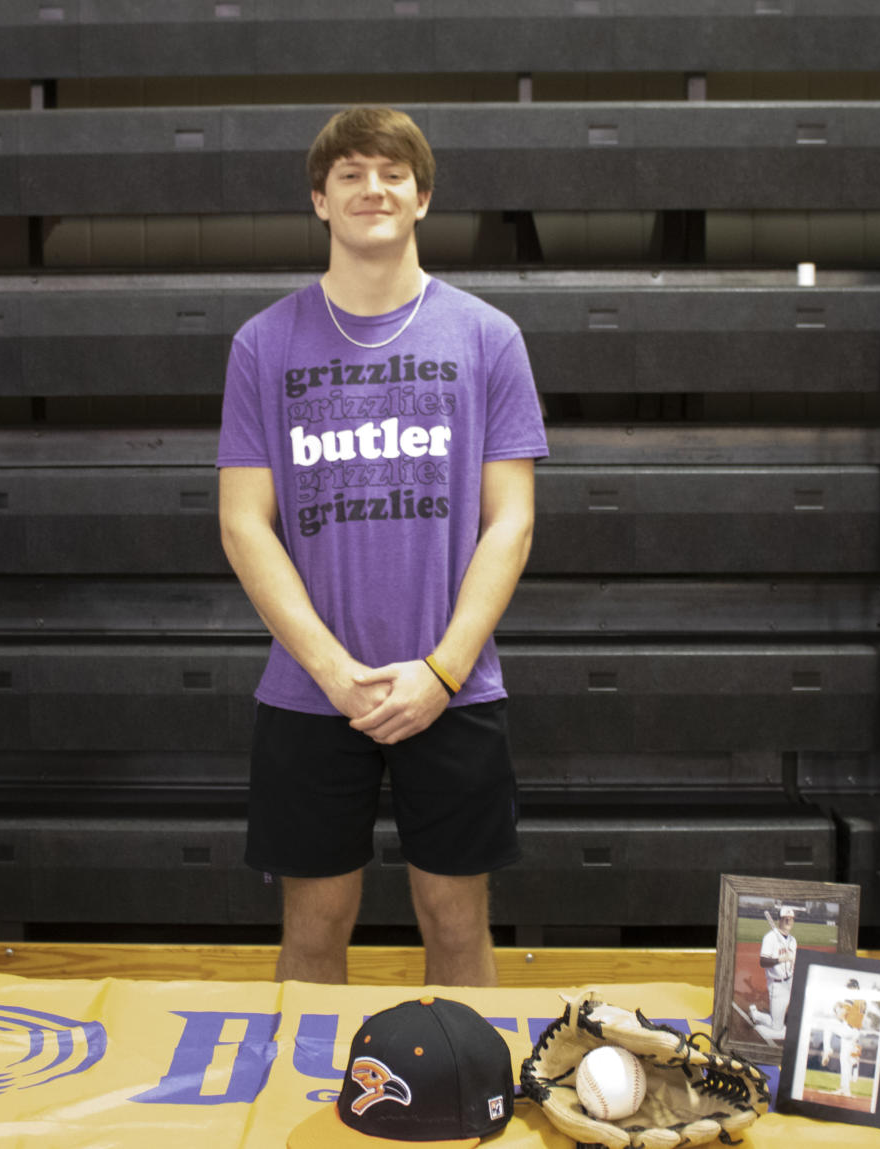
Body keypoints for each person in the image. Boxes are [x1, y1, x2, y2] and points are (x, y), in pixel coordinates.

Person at [216, 106, 547, 987]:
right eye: (351, 174)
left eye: (392, 172)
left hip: (454, 686)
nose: (373, 188)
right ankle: (296, 1108)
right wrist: (329, 668)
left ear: (423, 197)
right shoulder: (262, 344)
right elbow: (244, 521)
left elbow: (509, 520)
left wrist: (439, 672)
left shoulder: (487, 337)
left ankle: (464, 1097)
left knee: (454, 920)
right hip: (311, 690)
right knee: (315, 925)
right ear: (319, 200)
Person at [749, 906, 797, 1035]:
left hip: (791, 981)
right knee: (777, 1027)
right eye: (785, 919)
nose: (788, 922)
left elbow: (792, 962)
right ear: (779, 920)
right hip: (777, 985)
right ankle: (756, 1014)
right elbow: (763, 962)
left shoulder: (793, 941)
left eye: (790, 919)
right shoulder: (770, 938)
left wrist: (791, 961)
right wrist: (780, 959)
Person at [820, 980, 867, 1098]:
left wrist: (836, 1011)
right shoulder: (863, 1000)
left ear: (855, 987)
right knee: (844, 1061)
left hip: (849, 1030)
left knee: (827, 1025)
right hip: (856, 1031)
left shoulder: (852, 996)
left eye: (850, 986)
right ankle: (845, 1089)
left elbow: (842, 1015)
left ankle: (827, 1049)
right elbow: (854, 1015)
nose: (848, 989)